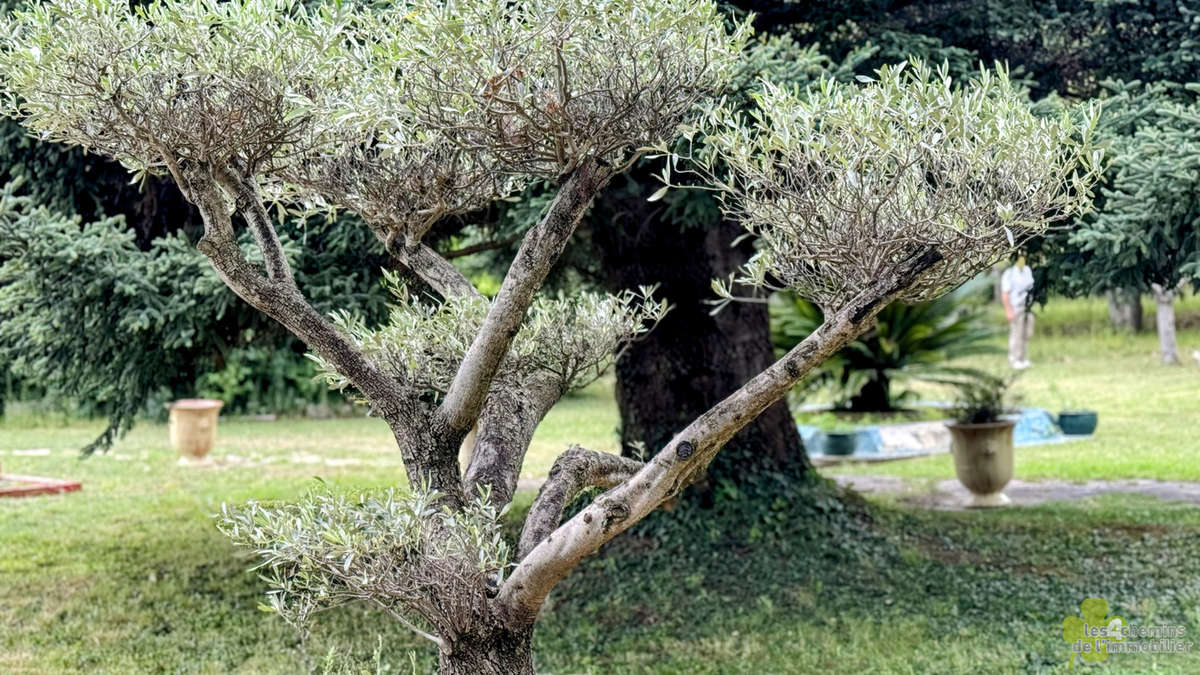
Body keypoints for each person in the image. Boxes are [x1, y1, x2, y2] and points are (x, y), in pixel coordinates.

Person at [1001, 256, 1035, 369]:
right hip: (1016, 307)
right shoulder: (1009, 273)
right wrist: (1008, 310)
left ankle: (1022, 358)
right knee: (1017, 333)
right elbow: (1005, 294)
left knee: (1027, 333)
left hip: (1027, 306)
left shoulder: (1027, 270)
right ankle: (1014, 359)